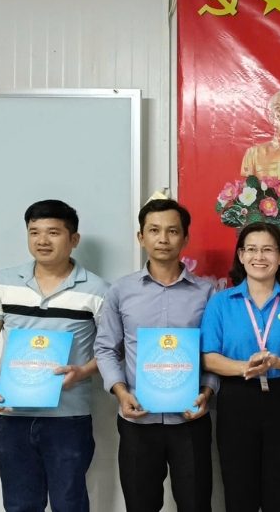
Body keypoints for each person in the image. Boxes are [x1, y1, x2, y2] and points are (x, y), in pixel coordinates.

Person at [0, 199, 107, 512]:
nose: (42, 240)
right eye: (34, 232)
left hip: (68, 419)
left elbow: (113, 350)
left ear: (73, 239)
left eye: (53, 232)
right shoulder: (3, 283)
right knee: (20, 505)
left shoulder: (98, 290)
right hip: (13, 417)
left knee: (69, 504)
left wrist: (84, 371)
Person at [94, 198, 216, 512]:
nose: (163, 238)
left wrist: (207, 392)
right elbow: (106, 348)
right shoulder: (120, 291)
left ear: (186, 238)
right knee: (140, 504)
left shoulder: (207, 292)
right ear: (141, 237)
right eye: (154, 230)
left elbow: (214, 353)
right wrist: (120, 392)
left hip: (190, 419)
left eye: (173, 231)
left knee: (195, 503)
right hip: (137, 419)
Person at [201, 222, 280, 512]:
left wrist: (278, 362)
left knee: (279, 493)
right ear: (240, 256)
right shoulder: (221, 302)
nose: (259, 257)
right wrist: (246, 366)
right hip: (237, 398)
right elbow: (208, 357)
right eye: (251, 249)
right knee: (239, 492)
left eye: (267, 249)